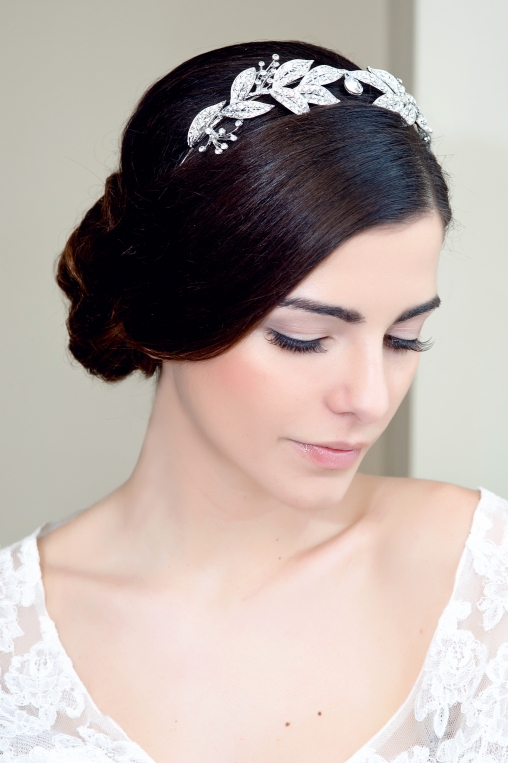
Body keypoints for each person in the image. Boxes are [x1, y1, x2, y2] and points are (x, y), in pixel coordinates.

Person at [0, 39, 506, 763]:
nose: (369, 399)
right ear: (171, 307)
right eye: (304, 338)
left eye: (404, 339)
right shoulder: (14, 649)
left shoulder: (485, 583)